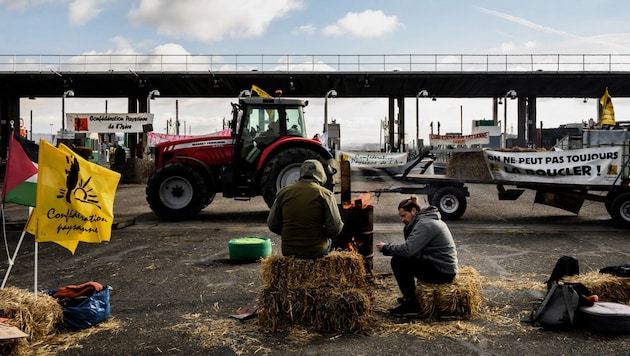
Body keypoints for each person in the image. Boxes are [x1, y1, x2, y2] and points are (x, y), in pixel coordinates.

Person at [376, 195, 458, 316]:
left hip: (443, 273)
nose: (401, 219)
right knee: (403, 259)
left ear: (414, 211)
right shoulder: (425, 220)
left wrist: (386, 248)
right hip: (440, 266)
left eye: (403, 215)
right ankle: (411, 298)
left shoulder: (425, 224)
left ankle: (412, 305)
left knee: (399, 261)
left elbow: (409, 250)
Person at [267, 159, 344, 259]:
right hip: (316, 251)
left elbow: (272, 224)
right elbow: (335, 227)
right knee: (331, 242)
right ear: (321, 174)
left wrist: (291, 234)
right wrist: (322, 234)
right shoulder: (325, 194)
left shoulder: (283, 193)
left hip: (288, 250)